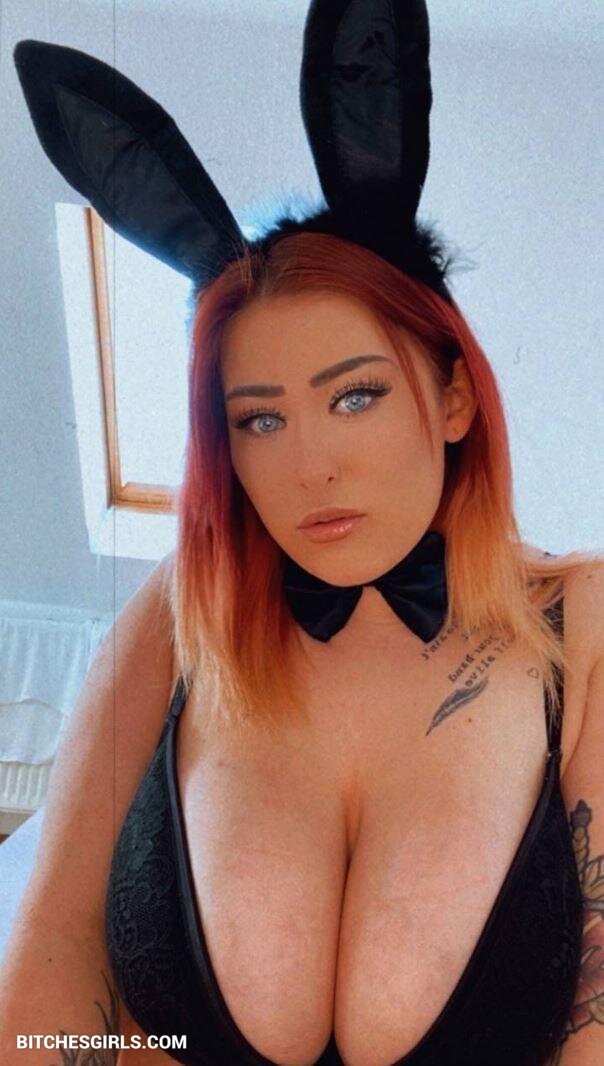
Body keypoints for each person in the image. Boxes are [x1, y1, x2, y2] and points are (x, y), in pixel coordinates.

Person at [3, 3, 603, 1065]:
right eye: (260, 420)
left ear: (454, 398)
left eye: (356, 396)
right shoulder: (182, 613)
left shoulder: (583, 619)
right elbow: (52, 952)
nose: (308, 466)